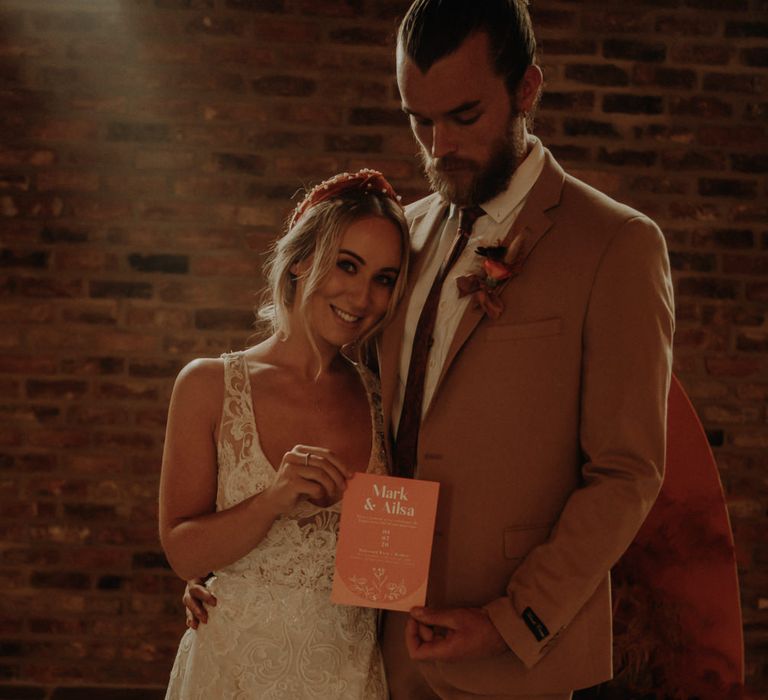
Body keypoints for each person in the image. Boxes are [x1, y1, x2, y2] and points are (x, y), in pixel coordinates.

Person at [185, 1, 675, 698]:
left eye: (464, 116)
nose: (439, 145)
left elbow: (627, 473)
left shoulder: (617, 247)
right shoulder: (398, 238)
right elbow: (329, 400)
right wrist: (233, 570)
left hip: (516, 657)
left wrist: (513, 619)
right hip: (373, 646)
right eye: (420, 120)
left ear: (527, 91)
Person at [159, 169, 410, 699]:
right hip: (234, 673)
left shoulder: (382, 397)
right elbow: (185, 554)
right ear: (300, 259)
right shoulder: (208, 385)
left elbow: (383, 577)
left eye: (384, 279)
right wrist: (271, 500)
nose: (362, 297)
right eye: (348, 265)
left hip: (349, 677)